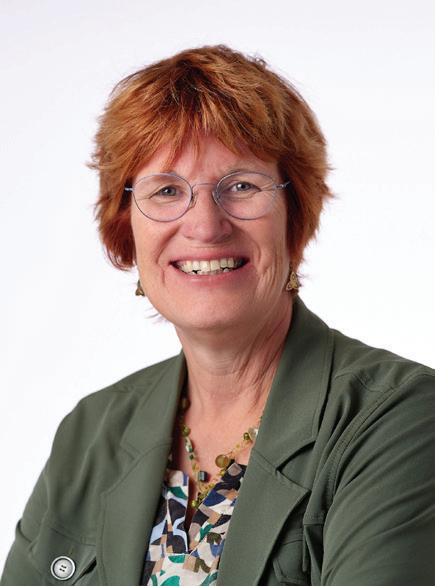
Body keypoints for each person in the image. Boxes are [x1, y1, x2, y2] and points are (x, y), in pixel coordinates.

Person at [2, 45, 434, 586]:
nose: (205, 226)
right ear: (125, 227)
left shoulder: (399, 420)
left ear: (294, 215)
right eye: (166, 190)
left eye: (242, 186)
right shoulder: (90, 433)